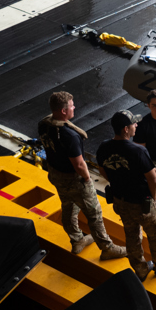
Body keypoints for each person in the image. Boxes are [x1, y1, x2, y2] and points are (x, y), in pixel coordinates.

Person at [37, 91, 125, 259]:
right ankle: (107, 248)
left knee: (68, 207)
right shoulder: (70, 135)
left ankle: (77, 239)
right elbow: (78, 164)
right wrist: (87, 178)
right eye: (71, 106)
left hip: (56, 174)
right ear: (63, 111)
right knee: (94, 214)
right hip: (73, 179)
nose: (74, 107)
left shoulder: (44, 124)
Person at [97, 110, 156, 281]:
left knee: (132, 234)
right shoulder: (138, 151)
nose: (136, 125)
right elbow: (153, 180)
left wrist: (117, 180)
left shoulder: (104, 147)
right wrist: (154, 198)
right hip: (142, 203)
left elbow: (102, 169)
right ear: (126, 129)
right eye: (133, 123)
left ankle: (140, 269)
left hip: (121, 201)